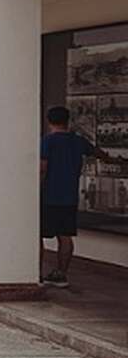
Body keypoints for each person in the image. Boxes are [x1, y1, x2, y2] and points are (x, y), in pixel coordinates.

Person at [40, 104, 125, 287]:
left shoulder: (48, 142)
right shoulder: (78, 141)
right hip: (69, 196)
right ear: (67, 121)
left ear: (49, 121)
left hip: (48, 196)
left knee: (36, 235)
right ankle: (61, 274)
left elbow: (42, 168)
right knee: (65, 236)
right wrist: (115, 160)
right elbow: (99, 154)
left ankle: (35, 273)